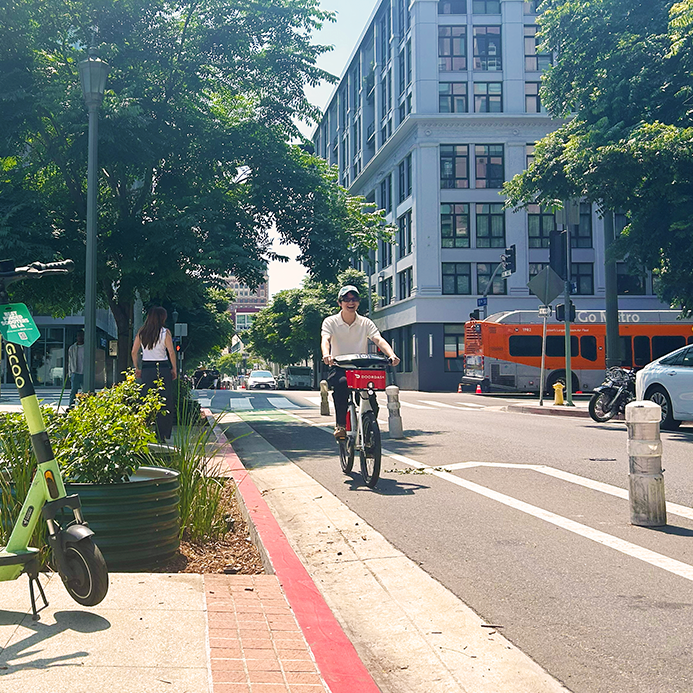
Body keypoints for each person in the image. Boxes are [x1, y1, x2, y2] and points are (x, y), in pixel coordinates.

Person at [321, 285, 400, 440]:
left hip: (361, 369)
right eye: (346, 299)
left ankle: (368, 430)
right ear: (340, 303)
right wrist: (326, 355)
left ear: (358, 302)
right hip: (340, 366)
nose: (351, 303)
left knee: (371, 400)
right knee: (341, 387)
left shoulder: (366, 323)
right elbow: (326, 339)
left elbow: (378, 339)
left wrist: (391, 355)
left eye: (354, 299)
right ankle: (341, 426)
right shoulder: (330, 322)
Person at [131, 306, 177, 442]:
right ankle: (161, 434)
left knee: (146, 399)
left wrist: (137, 367)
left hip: (147, 368)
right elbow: (171, 352)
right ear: (161, 318)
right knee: (164, 401)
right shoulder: (165, 332)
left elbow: (134, 352)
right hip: (162, 368)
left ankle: (145, 431)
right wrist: (173, 368)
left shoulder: (142, 332)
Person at [67, 330, 85, 406]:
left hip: (85, 373)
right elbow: (70, 361)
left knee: (86, 391)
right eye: (78, 336)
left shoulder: (87, 347)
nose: (80, 337)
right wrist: (70, 373)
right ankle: (71, 406)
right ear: (76, 337)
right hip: (75, 372)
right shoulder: (72, 348)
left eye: (81, 335)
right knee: (73, 391)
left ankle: (84, 406)